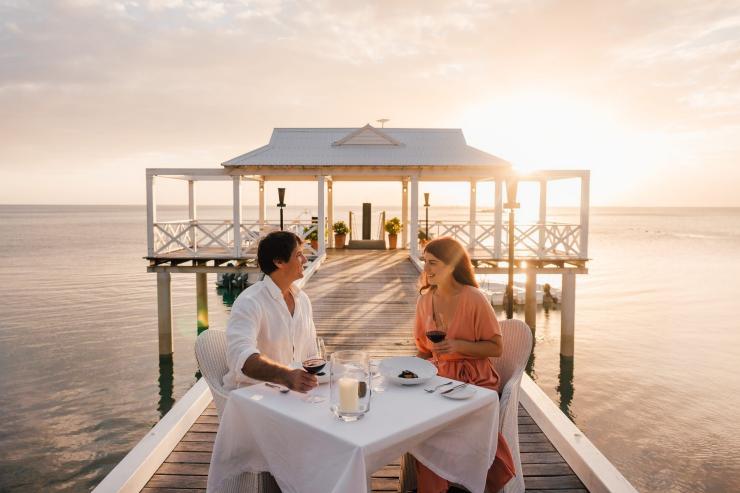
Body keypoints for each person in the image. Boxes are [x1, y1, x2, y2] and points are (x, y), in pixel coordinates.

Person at [414, 236, 515, 493]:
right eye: (425, 262)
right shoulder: (425, 301)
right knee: (416, 425)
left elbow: (496, 347)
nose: (426, 269)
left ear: (452, 265)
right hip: (438, 379)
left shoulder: (474, 298)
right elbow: (425, 351)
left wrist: (458, 346)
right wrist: (409, 371)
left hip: (475, 380)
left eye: (433, 263)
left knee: (434, 430)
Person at [222, 231, 318, 393]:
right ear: (279, 261)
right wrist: (287, 376)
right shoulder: (250, 302)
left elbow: (311, 355)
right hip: (255, 398)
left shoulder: (303, 300)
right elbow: (241, 357)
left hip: (293, 395)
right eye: (299, 254)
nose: (305, 260)